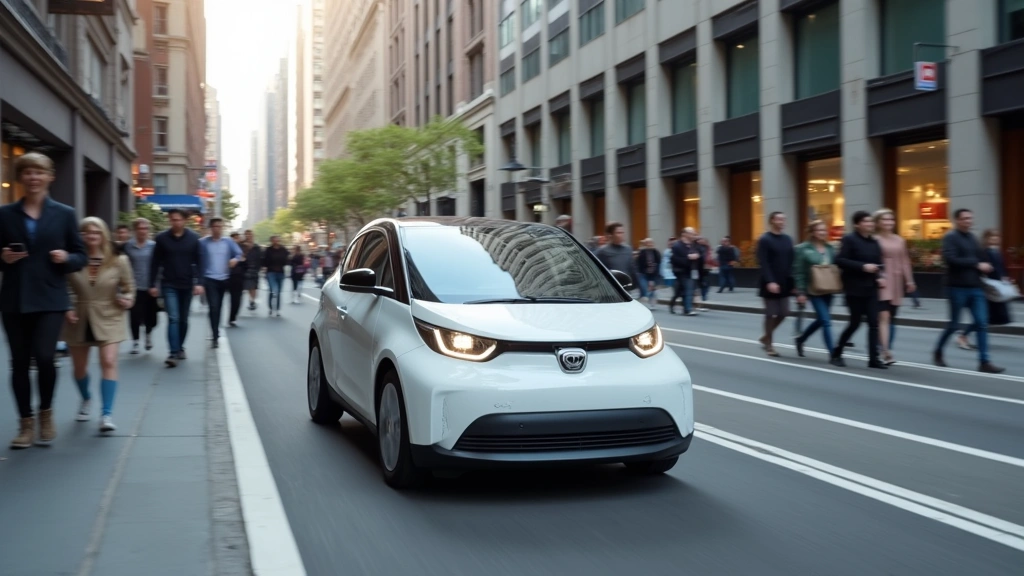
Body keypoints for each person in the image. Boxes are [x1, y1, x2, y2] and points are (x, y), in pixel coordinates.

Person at [0, 152, 87, 449]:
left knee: (46, 357)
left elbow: (80, 255)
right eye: (27, 172)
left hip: (51, 298)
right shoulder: (5, 214)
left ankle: (46, 413)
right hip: (15, 299)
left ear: (50, 176)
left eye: (39, 172)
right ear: (21, 177)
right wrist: (3, 257)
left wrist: (67, 258)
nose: (33, 178)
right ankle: (25, 424)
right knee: (20, 363)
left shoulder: (64, 214)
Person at [65, 218, 134, 433]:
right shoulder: (73, 260)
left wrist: (128, 299)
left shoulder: (118, 260)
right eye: (86, 233)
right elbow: (63, 287)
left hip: (109, 313)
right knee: (79, 368)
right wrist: (67, 307)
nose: (91, 236)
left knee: (109, 360)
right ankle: (86, 399)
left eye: (95, 232)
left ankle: (106, 414)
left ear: (103, 235)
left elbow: (129, 287)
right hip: (79, 314)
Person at [933, 209, 1004, 373]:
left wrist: (986, 265)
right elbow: (951, 259)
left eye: (970, 218)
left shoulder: (973, 238)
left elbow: (981, 258)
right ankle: (938, 351)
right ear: (956, 220)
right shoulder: (950, 238)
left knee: (981, 323)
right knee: (953, 325)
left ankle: (984, 361)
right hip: (956, 288)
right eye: (965, 218)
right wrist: (976, 264)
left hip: (976, 288)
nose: (968, 221)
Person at [150, 209, 203, 367]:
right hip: (169, 284)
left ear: (184, 221)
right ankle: (172, 353)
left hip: (187, 284)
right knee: (173, 318)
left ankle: (180, 347)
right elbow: (155, 263)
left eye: (178, 220)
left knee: (184, 319)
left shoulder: (194, 238)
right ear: (169, 220)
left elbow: (200, 262)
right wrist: (152, 284)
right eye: (173, 220)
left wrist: (199, 283)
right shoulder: (161, 238)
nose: (176, 222)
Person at [833, 210, 886, 369]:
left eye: (871, 221)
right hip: (854, 288)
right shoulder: (849, 239)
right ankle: (837, 352)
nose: (870, 224)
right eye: (866, 221)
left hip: (871, 288)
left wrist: (880, 276)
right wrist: (862, 267)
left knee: (873, 323)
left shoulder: (874, 242)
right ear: (857, 224)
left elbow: (878, 264)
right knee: (855, 323)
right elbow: (840, 260)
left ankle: (873, 359)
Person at [958, 229, 1014, 349]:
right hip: (988, 289)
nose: (995, 239)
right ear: (987, 238)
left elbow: (1001, 268)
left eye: (997, 236)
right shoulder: (985, 252)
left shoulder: (998, 252)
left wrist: (1005, 277)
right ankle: (964, 336)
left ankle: (966, 336)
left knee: (986, 318)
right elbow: (984, 269)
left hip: (996, 289)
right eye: (992, 236)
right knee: (983, 317)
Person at [874, 208, 915, 365]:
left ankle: (881, 345)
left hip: (897, 280)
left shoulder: (899, 240)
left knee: (891, 317)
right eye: (885, 219)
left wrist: (909, 281)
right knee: (884, 316)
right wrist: (878, 277)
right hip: (882, 280)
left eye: (891, 219)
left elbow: (905, 261)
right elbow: (873, 259)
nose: (889, 222)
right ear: (878, 222)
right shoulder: (874, 239)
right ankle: (886, 351)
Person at [792, 220, 837, 358]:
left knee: (822, 320)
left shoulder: (830, 248)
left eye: (824, 230)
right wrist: (800, 292)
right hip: (813, 289)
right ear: (812, 232)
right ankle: (833, 353)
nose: (822, 233)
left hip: (829, 288)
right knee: (826, 321)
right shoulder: (803, 248)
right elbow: (798, 271)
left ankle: (801, 339)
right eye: (819, 230)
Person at [756, 212, 795, 357]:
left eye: (783, 219)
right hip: (769, 281)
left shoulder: (787, 239)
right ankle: (769, 345)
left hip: (784, 281)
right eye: (779, 219)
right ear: (772, 221)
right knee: (770, 314)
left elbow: (792, 261)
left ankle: (766, 336)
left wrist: (793, 283)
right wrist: (770, 281)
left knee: (784, 312)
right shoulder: (765, 239)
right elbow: (763, 262)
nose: (782, 221)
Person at [200, 218, 242, 348]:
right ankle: (214, 335)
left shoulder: (228, 242)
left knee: (219, 306)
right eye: (215, 226)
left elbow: (239, 253)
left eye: (220, 226)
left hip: (224, 279)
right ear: (210, 228)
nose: (217, 229)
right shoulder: (203, 242)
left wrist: (235, 259)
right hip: (209, 279)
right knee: (213, 306)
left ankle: (215, 332)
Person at [123, 217, 157, 354]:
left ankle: (148, 335)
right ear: (135, 230)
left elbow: (158, 266)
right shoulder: (128, 246)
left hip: (150, 286)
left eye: (145, 228)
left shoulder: (153, 246)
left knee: (151, 316)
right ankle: (135, 341)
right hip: (133, 286)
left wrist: (157, 285)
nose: (143, 231)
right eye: (140, 228)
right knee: (134, 315)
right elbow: (123, 265)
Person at [668, 228, 702, 316]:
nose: (693, 235)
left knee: (681, 291)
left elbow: (701, 253)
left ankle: (675, 305)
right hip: (682, 271)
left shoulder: (694, 244)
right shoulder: (677, 245)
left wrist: (698, 255)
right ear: (684, 234)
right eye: (691, 233)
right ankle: (688, 309)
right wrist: (688, 258)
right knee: (688, 290)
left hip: (693, 271)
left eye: (694, 234)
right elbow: (675, 260)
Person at [595, 222, 635, 291]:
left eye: (622, 232)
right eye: (618, 233)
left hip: (626, 288)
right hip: (611, 289)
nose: (621, 235)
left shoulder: (628, 249)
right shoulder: (602, 251)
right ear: (611, 235)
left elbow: (632, 268)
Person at [263, 235, 289, 316]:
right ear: (271, 241)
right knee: (274, 290)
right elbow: (265, 261)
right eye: (274, 240)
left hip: (281, 272)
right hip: (271, 272)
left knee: (278, 292)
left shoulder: (283, 249)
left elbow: (287, 260)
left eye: (277, 240)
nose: (276, 241)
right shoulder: (268, 250)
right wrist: (264, 269)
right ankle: (271, 308)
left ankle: (277, 309)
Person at [227, 232, 247, 327]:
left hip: (238, 278)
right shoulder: (225, 249)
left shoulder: (241, 250)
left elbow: (246, 265)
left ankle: (232, 318)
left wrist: (243, 260)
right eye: (233, 238)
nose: (235, 239)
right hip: (226, 277)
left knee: (236, 300)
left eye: (237, 238)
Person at [636, 238, 661, 308]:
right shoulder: (642, 252)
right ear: (646, 244)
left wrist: (657, 273)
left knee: (653, 288)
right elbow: (639, 263)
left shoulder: (656, 252)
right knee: (644, 287)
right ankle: (645, 297)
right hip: (643, 273)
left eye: (651, 242)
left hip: (653, 273)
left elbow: (659, 262)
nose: (650, 244)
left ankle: (651, 300)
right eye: (648, 243)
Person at [242, 230, 262, 310]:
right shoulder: (242, 246)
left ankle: (252, 301)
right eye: (247, 235)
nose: (248, 236)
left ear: (253, 236)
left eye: (250, 235)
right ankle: (251, 299)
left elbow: (260, 258)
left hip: (254, 269)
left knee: (253, 287)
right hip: (245, 268)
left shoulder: (257, 247)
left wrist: (259, 267)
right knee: (247, 286)